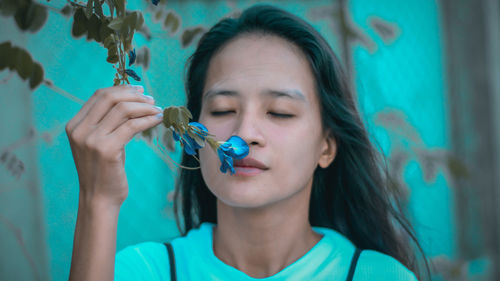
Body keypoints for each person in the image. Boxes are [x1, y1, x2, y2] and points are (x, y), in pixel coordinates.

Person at [67, 4, 429, 281]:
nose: (245, 132)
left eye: (280, 112)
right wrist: (97, 201)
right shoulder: (145, 270)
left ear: (327, 146)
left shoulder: (378, 276)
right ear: (193, 132)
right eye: (223, 109)